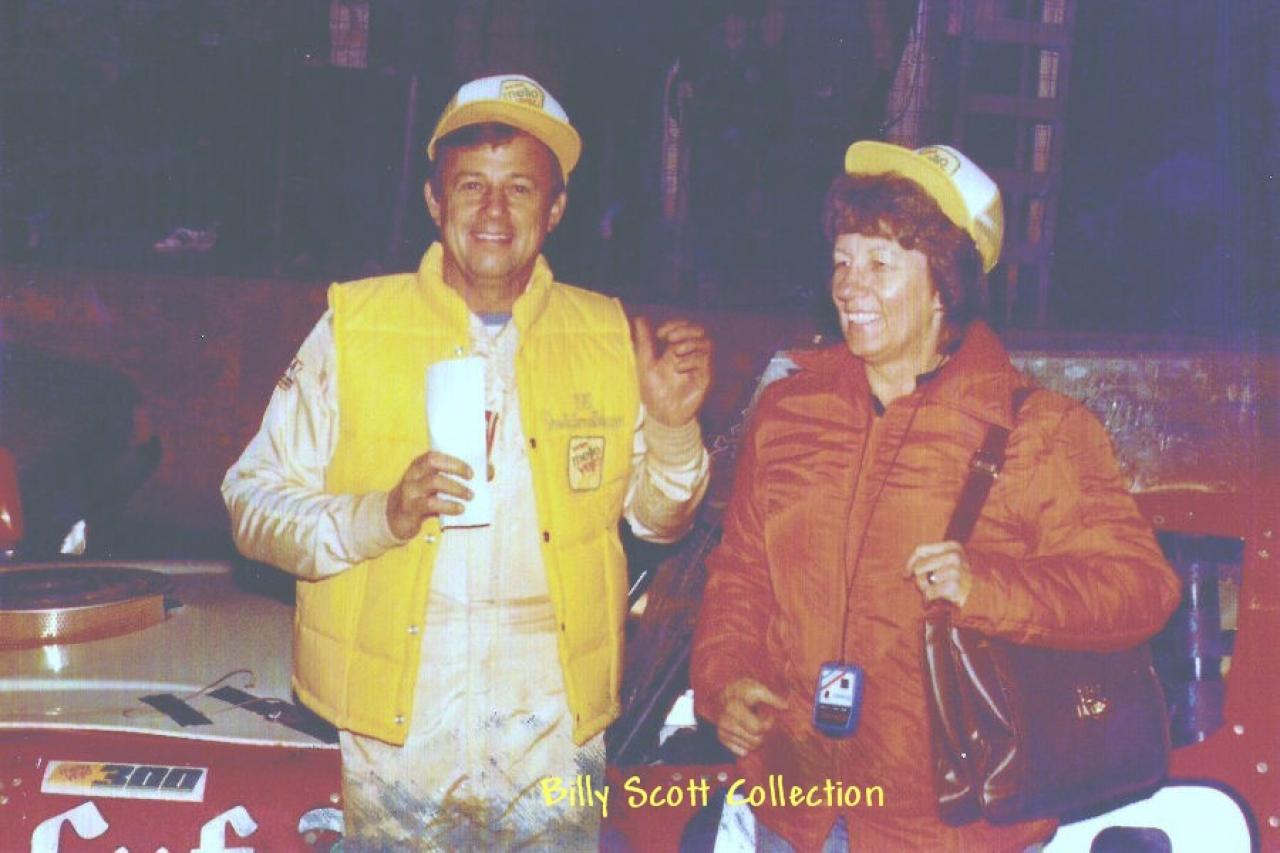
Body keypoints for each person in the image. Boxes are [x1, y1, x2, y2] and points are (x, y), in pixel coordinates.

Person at [223, 73, 712, 849]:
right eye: (471, 185)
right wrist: (378, 516)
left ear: (555, 210)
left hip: (552, 727)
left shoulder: (605, 335)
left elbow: (659, 519)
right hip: (400, 730)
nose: (493, 211)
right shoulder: (356, 326)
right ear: (433, 199)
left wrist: (675, 426)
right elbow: (250, 502)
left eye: (520, 188)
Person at [690, 141, 1181, 852]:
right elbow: (741, 572)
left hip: (949, 828)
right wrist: (725, 679)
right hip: (792, 809)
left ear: (943, 286)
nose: (849, 286)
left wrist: (989, 588)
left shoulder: (1036, 430)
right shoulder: (789, 411)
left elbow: (1140, 588)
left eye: (880, 265)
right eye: (842, 261)